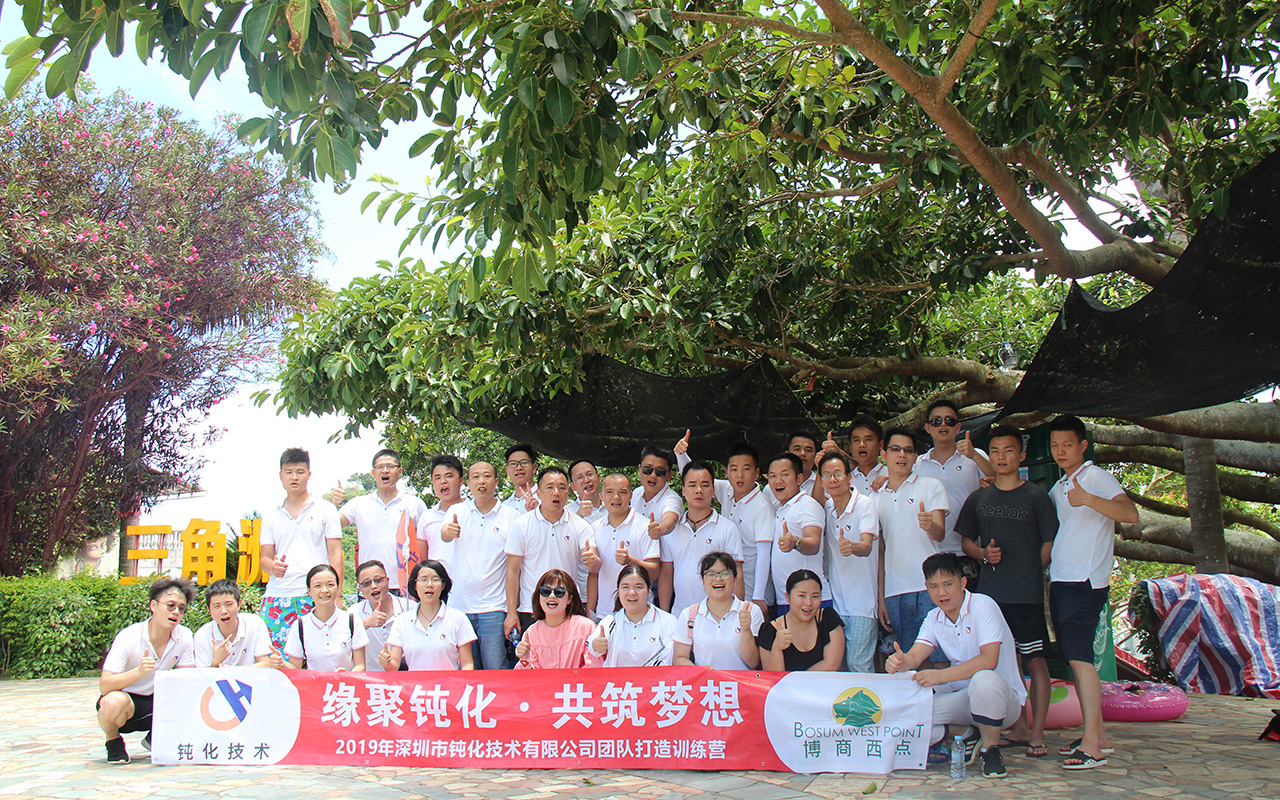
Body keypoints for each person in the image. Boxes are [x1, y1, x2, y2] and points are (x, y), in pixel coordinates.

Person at [957, 425, 1058, 757]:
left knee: (1035, 662)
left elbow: (1049, 544)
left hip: (1026, 597)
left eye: (1009, 451)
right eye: (995, 452)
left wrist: (1029, 568)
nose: (1001, 458)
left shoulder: (1037, 497)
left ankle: (1037, 733)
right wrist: (984, 554)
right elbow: (966, 543)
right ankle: (1019, 726)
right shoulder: (979, 498)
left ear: (1022, 456)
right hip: (990, 599)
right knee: (1002, 664)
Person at [1046, 415, 1138, 769]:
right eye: (1055, 446)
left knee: (1081, 660)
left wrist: (1088, 498)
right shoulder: (1060, 485)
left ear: (1083, 445)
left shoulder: (1095, 477)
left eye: (1067, 445)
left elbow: (1129, 513)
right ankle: (1098, 736)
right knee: (1074, 657)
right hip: (1061, 580)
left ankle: (1092, 747)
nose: (1060, 451)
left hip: (1084, 582)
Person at [887, 553, 1027, 779]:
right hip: (962, 698)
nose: (941, 593)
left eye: (947, 584)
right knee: (907, 713)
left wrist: (941, 676)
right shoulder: (934, 617)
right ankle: (966, 733)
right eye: (934, 586)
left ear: (963, 583)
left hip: (1001, 701)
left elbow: (989, 660)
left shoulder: (983, 606)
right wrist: (899, 662)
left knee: (984, 679)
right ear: (926, 587)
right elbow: (914, 657)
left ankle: (990, 750)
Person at [97, 578, 196, 764]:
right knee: (111, 702)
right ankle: (113, 741)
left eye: (181, 608)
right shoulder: (129, 637)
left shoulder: (184, 635)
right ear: (153, 606)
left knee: (192, 692)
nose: (176, 612)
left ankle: (155, 738)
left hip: (158, 702)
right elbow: (105, 685)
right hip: (128, 704)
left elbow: (187, 678)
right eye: (170, 606)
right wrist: (139, 672)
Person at [673, 435, 775, 611]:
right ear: (727, 472)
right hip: (729, 588)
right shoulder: (727, 490)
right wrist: (680, 454)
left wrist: (758, 596)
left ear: (757, 473)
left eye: (746, 469)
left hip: (753, 592)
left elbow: (764, 555)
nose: (740, 475)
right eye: (734, 469)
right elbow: (696, 478)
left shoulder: (762, 506)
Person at [259, 447, 344, 649]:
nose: (294, 477)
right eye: (288, 472)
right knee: (277, 656)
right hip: (279, 595)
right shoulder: (271, 515)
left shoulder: (325, 509)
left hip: (317, 594)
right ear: (280, 475)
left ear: (309, 474)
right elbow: (265, 558)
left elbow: (335, 553)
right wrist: (273, 567)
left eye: (300, 472)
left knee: (322, 654)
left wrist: (337, 594)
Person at [876, 428, 949, 660]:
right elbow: (880, 552)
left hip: (931, 585)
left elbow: (939, 534)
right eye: (895, 449)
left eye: (908, 450)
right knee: (910, 660)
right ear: (883, 454)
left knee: (940, 658)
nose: (902, 455)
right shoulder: (874, 498)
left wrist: (930, 525)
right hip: (895, 590)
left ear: (916, 456)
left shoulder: (931, 486)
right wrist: (881, 598)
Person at [504, 466, 599, 636]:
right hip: (531, 609)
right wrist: (512, 612)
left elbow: (594, 562)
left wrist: (592, 560)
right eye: (549, 487)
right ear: (539, 493)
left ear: (568, 493)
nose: (556, 493)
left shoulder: (581, 525)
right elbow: (512, 570)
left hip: (568, 608)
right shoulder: (521, 525)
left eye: (562, 487)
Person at [450, 460, 521, 669]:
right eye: (475, 477)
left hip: (494, 608)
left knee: (495, 669)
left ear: (496, 482)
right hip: (460, 608)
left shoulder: (511, 516)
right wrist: (448, 531)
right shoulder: (457, 511)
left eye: (487, 476)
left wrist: (512, 611)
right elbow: (445, 533)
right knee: (467, 671)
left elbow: (514, 568)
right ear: (467, 483)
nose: (481, 481)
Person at [332, 448, 428, 593]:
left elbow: (427, 538)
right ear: (373, 473)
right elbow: (333, 524)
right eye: (380, 467)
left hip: (405, 585)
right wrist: (334, 505)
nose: (385, 471)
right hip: (369, 585)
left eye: (390, 466)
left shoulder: (414, 504)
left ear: (400, 471)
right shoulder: (358, 504)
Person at [818, 451, 880, 673]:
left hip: (862, 604)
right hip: (836, 602)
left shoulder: (865, 504)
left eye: (837, 473)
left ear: (849, 476)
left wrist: (852, 547)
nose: (832, 479)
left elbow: (867, 545)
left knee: (858, 664)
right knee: (839, 666)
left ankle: (868, 699)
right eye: (826, 475)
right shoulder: (828, 508)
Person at [658, 461, 744, 612]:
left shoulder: (727, 529)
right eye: (692, 485)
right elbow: (666, 574)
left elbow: (737, 575)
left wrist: (736, 615)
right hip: (680, 615)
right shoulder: (671, 530)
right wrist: (664, 615)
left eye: (705, 485)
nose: (699, 490)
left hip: (717, 616)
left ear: (713, 490)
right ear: (683, 490)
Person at [914, 400, 994, 556]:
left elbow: (999, 479)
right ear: (927, 428)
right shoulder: (917, 464)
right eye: (936, 421)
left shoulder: (974, 456)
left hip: (969, 549)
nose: (943, 425)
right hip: (930, 551)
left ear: (958, 428)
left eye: (949, 420)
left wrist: (973, 455)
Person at [673, 553, 764, 670]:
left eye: (725, 573)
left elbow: (753, 662)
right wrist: (699, 670)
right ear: (703, 581)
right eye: (711, 574)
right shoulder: (690, 615)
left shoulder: (750, 611)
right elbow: (679, 657)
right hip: (706, 681)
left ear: (735, 579)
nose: (718, 579)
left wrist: (746, 630)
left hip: (740, 681)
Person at [380, 560, 476, 670]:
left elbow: (467, 664)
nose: (429, 585)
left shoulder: (458, 618)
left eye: (435, 580)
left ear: (443, 585)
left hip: (448, 681)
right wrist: (386, 662)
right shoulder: (402, 621)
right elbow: (393, 665)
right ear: (415, 585)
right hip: (416, 682)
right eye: (423, 580)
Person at [590, 473, 660, 621]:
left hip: (640, 613)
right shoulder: (595, 528)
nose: (616, 497)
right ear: (602, 496)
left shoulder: (644, 527)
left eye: (622, 492)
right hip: (604, 614)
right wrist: (590, 612)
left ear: (630, 496)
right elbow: (594, 574)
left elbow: (654, 572)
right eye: (609, 492)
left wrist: (630, 561)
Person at [766, 452, 828, 614]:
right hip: (786, 599)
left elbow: (814, 543)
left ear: (799, 479)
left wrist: (795, 542)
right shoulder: (780, 508)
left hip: (810, 601)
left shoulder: (807, 505)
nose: (778, 481)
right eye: (772, 476)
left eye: (784, 475)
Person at [282, 565, 368, 672]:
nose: (325, 590)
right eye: (317, 586)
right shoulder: (300, 626)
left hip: (345, 682)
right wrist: (281, 663)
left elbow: (360, 665)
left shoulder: (352, 620)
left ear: (338, 587)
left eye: (330, 585)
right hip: (314, 683)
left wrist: (346, 676)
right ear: (309, 591)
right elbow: (295, 668)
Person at [590, 565, 680, 667]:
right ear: (618, 591)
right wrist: (596, 645)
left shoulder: (667, 621)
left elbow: (671, 657)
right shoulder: (609, 622)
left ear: (649, 591)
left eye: (638, 587)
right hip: (618, 677)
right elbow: (591, 644)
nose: (632, 593)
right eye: (625, 587)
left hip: (657, 677)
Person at [757, 570, 844, 671]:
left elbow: (832, 665)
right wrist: (777, 648)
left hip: (822, 681)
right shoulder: (770, 630)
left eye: (815, 596)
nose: (808, 603)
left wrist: (799, 679)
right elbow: (772, 677)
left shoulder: (827, 619)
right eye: (802, 596)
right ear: (787, 597)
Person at [513, 569, 600, 669]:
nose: (552, 596)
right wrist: (524, 660)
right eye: (545, 591)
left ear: (569, 599)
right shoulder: (531, 633)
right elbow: (530, 676)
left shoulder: (586, 627)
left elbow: (594, 666)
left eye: (559, 592)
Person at [194, 578, 277, 669]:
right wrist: (216, 662)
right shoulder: (202, 636)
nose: (224, 611)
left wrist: (233, 671)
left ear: (239, 604)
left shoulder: (255, 624)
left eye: (229, 604)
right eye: (217, 606)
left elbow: (265, 664)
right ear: (209, 609)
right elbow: (203, 675)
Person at [351, 560, 416, 672]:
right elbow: (340, 639)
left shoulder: (409, 607)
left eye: (378, 580)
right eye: (366, 583)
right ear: (360, 589)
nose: (373, 586)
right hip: (370, 677)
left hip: (405, 674)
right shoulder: (354, 612)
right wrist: (365, 623)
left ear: (387, 581)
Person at [417, 454, 466, 571]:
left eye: (448, 476)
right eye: (437, 478)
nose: (443, 481)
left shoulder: (474, 512)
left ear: (461, 481)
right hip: (438, 581)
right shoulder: (426, 517)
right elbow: (423, 561)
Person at [632, 444, 682, 540]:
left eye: (660, 472)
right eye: (648, 469)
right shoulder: (636, 493)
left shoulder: (672, 499)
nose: (653, 475)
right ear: (639, 470)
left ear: (669, 475)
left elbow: (670, 520)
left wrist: (660, 529)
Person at [846, 415, 888, 494]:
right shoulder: (845, 481)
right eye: (856, 440)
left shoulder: (890, 475)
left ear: (880, 445)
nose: (862, 445)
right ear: (850, 447)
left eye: (868, 439)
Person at [502, 443, 540, 511]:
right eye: (513, 464)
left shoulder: (546, 498)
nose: (519, 468)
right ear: (507, 471)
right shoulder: (504, 506)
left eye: (524, 462)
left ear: (534, 468)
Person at [568, 459, 606, 523]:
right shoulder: (567, 513)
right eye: (579, 477)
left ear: (599, 477)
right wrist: (578, 516)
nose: (586, 480)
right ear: (572, 486)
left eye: (589, 474)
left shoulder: (614, 505)